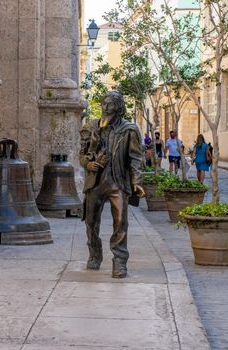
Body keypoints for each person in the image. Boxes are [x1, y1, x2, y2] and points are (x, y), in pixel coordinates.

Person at [80, 91, 144, 279]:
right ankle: (94, 253)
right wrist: (88, 163)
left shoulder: (129, 130)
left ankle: (119, 261)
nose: (106, 108)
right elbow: (81, 154)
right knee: (91, 222)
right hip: (95, 182)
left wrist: (137, 181)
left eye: (110, 104)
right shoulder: (90, 128)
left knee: (120, 223)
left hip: (117, 182)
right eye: (104, 104)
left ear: (119, 107)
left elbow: (135, 158)